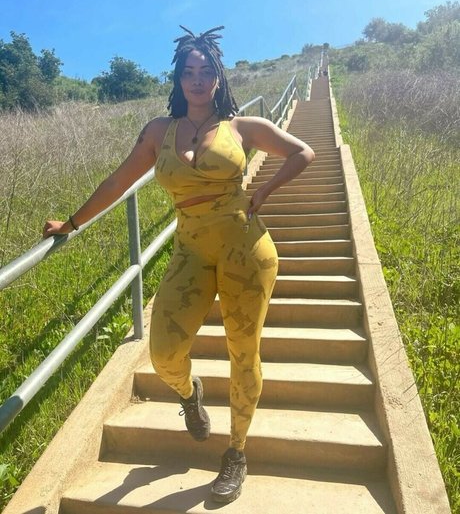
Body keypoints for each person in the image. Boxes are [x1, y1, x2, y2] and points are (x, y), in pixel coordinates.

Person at [43, 26, 315, 503]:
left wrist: (263, 192)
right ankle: (191, 395)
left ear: (218, 78)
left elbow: (302, 152)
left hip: (245, 247)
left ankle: (236, 453)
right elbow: (117, 182)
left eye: (205, 71)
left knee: (243, 352)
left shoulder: (241, 127)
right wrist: (72, 223)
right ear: (178, 78)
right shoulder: (158, 132)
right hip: (190, 248)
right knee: (164, 352)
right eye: (188, 72)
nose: (197, 79)